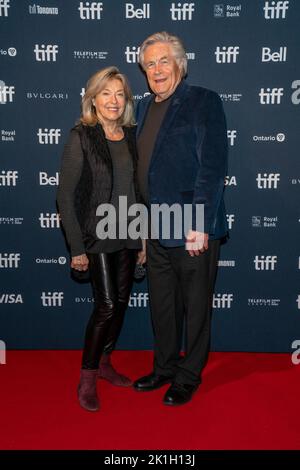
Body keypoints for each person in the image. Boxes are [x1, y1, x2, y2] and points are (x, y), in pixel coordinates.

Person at [133, 32, 228, 406]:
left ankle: (188, 376)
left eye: (163, 61)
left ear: (179, 64)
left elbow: (213, 166)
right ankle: (165, 367)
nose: (157, 70)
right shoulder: (142, 107)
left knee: (196, 305)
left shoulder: (203, 101)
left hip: (191, 227)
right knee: (163, 305)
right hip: (156, 226)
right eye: (150, 64)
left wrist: (200, 223)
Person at [57, 66, 145, 412]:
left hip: (128, 232)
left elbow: (138, 191)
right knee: (107, 304)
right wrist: (76, 248)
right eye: (105, 93)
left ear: (126, 101)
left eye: (119, 94)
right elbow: (65, 195)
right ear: (93, 99)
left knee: (121, 303)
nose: (113, 100)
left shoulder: (132, 135)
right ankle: (88, 376)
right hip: (97, 233)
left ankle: (106, 362)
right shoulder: (81, 135)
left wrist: (142, 240)